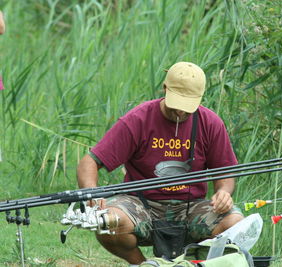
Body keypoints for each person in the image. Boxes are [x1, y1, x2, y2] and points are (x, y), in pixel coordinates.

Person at [77, 61, 244, 265]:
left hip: (191, 208)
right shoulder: (138, 119)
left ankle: (192, 264)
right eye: (176, 105)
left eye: (187, 106)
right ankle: (143, 265)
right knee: (106, 220)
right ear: (165, 88)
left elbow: (225, 171)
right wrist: (92, 192)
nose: (180, 112)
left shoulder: (211, 123)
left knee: (235, 223)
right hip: (141, 205)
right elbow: (89, 162)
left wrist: (224, 192)